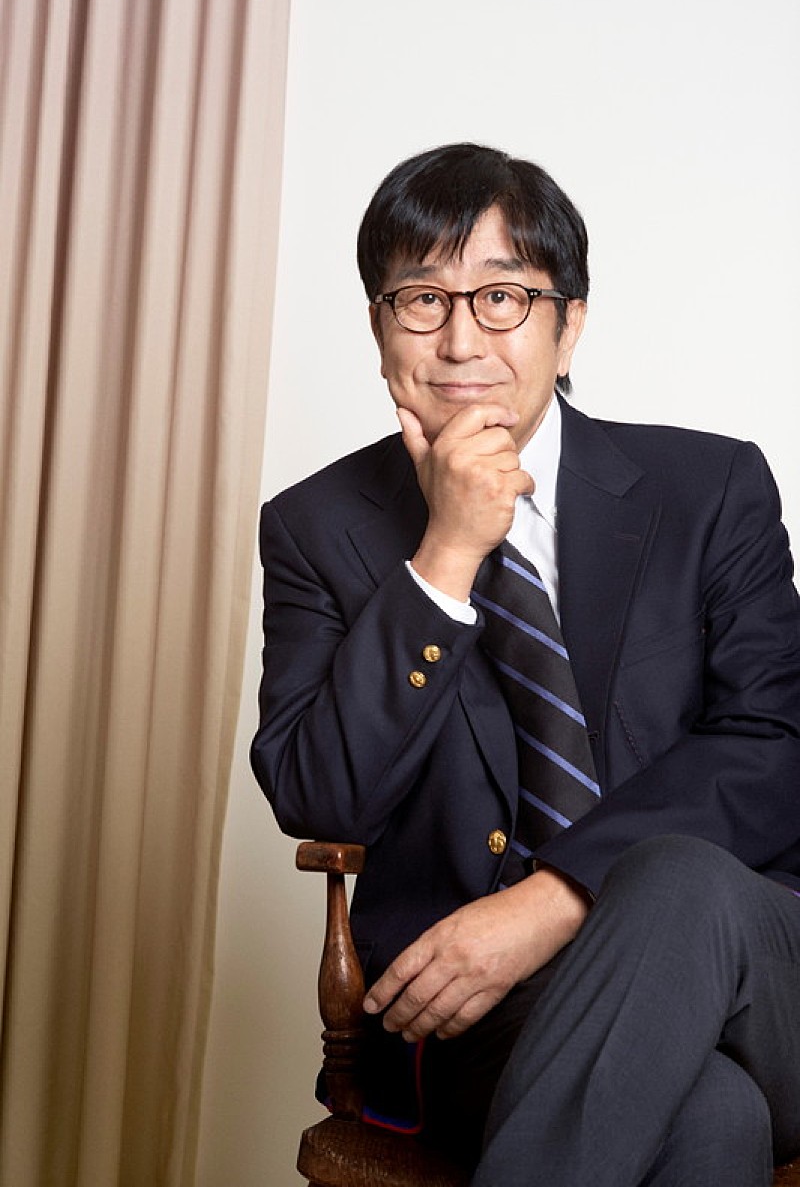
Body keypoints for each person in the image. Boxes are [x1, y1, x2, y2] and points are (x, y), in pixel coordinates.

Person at [251, 143, 800, 1186]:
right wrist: (444, 557)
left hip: (757, 975)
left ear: (568, 323)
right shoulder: (317, 528)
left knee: (678, 879)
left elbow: (775, 745)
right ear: (378, 327)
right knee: (707, 1119)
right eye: (422, 299)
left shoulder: (709, 487)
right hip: (492, 1017)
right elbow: (319, 794)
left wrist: (556, 897)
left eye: (501, 297)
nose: (461, 337)